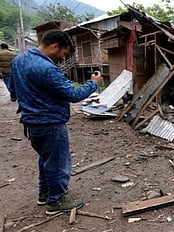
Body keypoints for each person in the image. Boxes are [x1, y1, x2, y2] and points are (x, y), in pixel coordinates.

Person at [9, 30, 103, 215]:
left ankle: (44, 194)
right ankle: (56, 201)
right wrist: (94, 83)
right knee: (58, 162)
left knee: (46, 159)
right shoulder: (46, 68)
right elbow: (73, 94)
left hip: (31, 123)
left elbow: (13, 91)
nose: (63, 57)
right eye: (64, 53)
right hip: (49, 123)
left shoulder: (18, 61)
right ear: (54, 46)